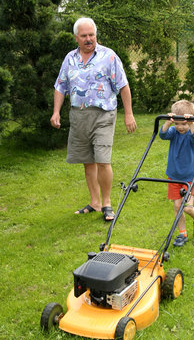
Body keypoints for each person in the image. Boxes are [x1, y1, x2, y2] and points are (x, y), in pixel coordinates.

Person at [50, 17, 137, 221]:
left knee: (102, 160)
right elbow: (60, 86)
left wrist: (129, 114)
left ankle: (106, 204)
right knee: (87, 161)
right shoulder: (70, 59)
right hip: (78, 115)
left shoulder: (109, 56)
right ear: (76, 38)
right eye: (84, 36)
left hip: (103, 114)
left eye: (92, 35)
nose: (89, 39)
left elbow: (123, 85)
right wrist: (56, 112)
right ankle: (95, 202)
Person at [159, 100, 194, 247]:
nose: (180, 127)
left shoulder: (192, 134)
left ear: (190, 122)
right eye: (177, 124)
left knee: (186, 207)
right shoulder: (174, 132)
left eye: (183, 124)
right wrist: (167, 122)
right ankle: (182, 234)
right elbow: (163, 135)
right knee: (177, 206)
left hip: (190, 177)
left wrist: (191, 123)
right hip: (174, 176)